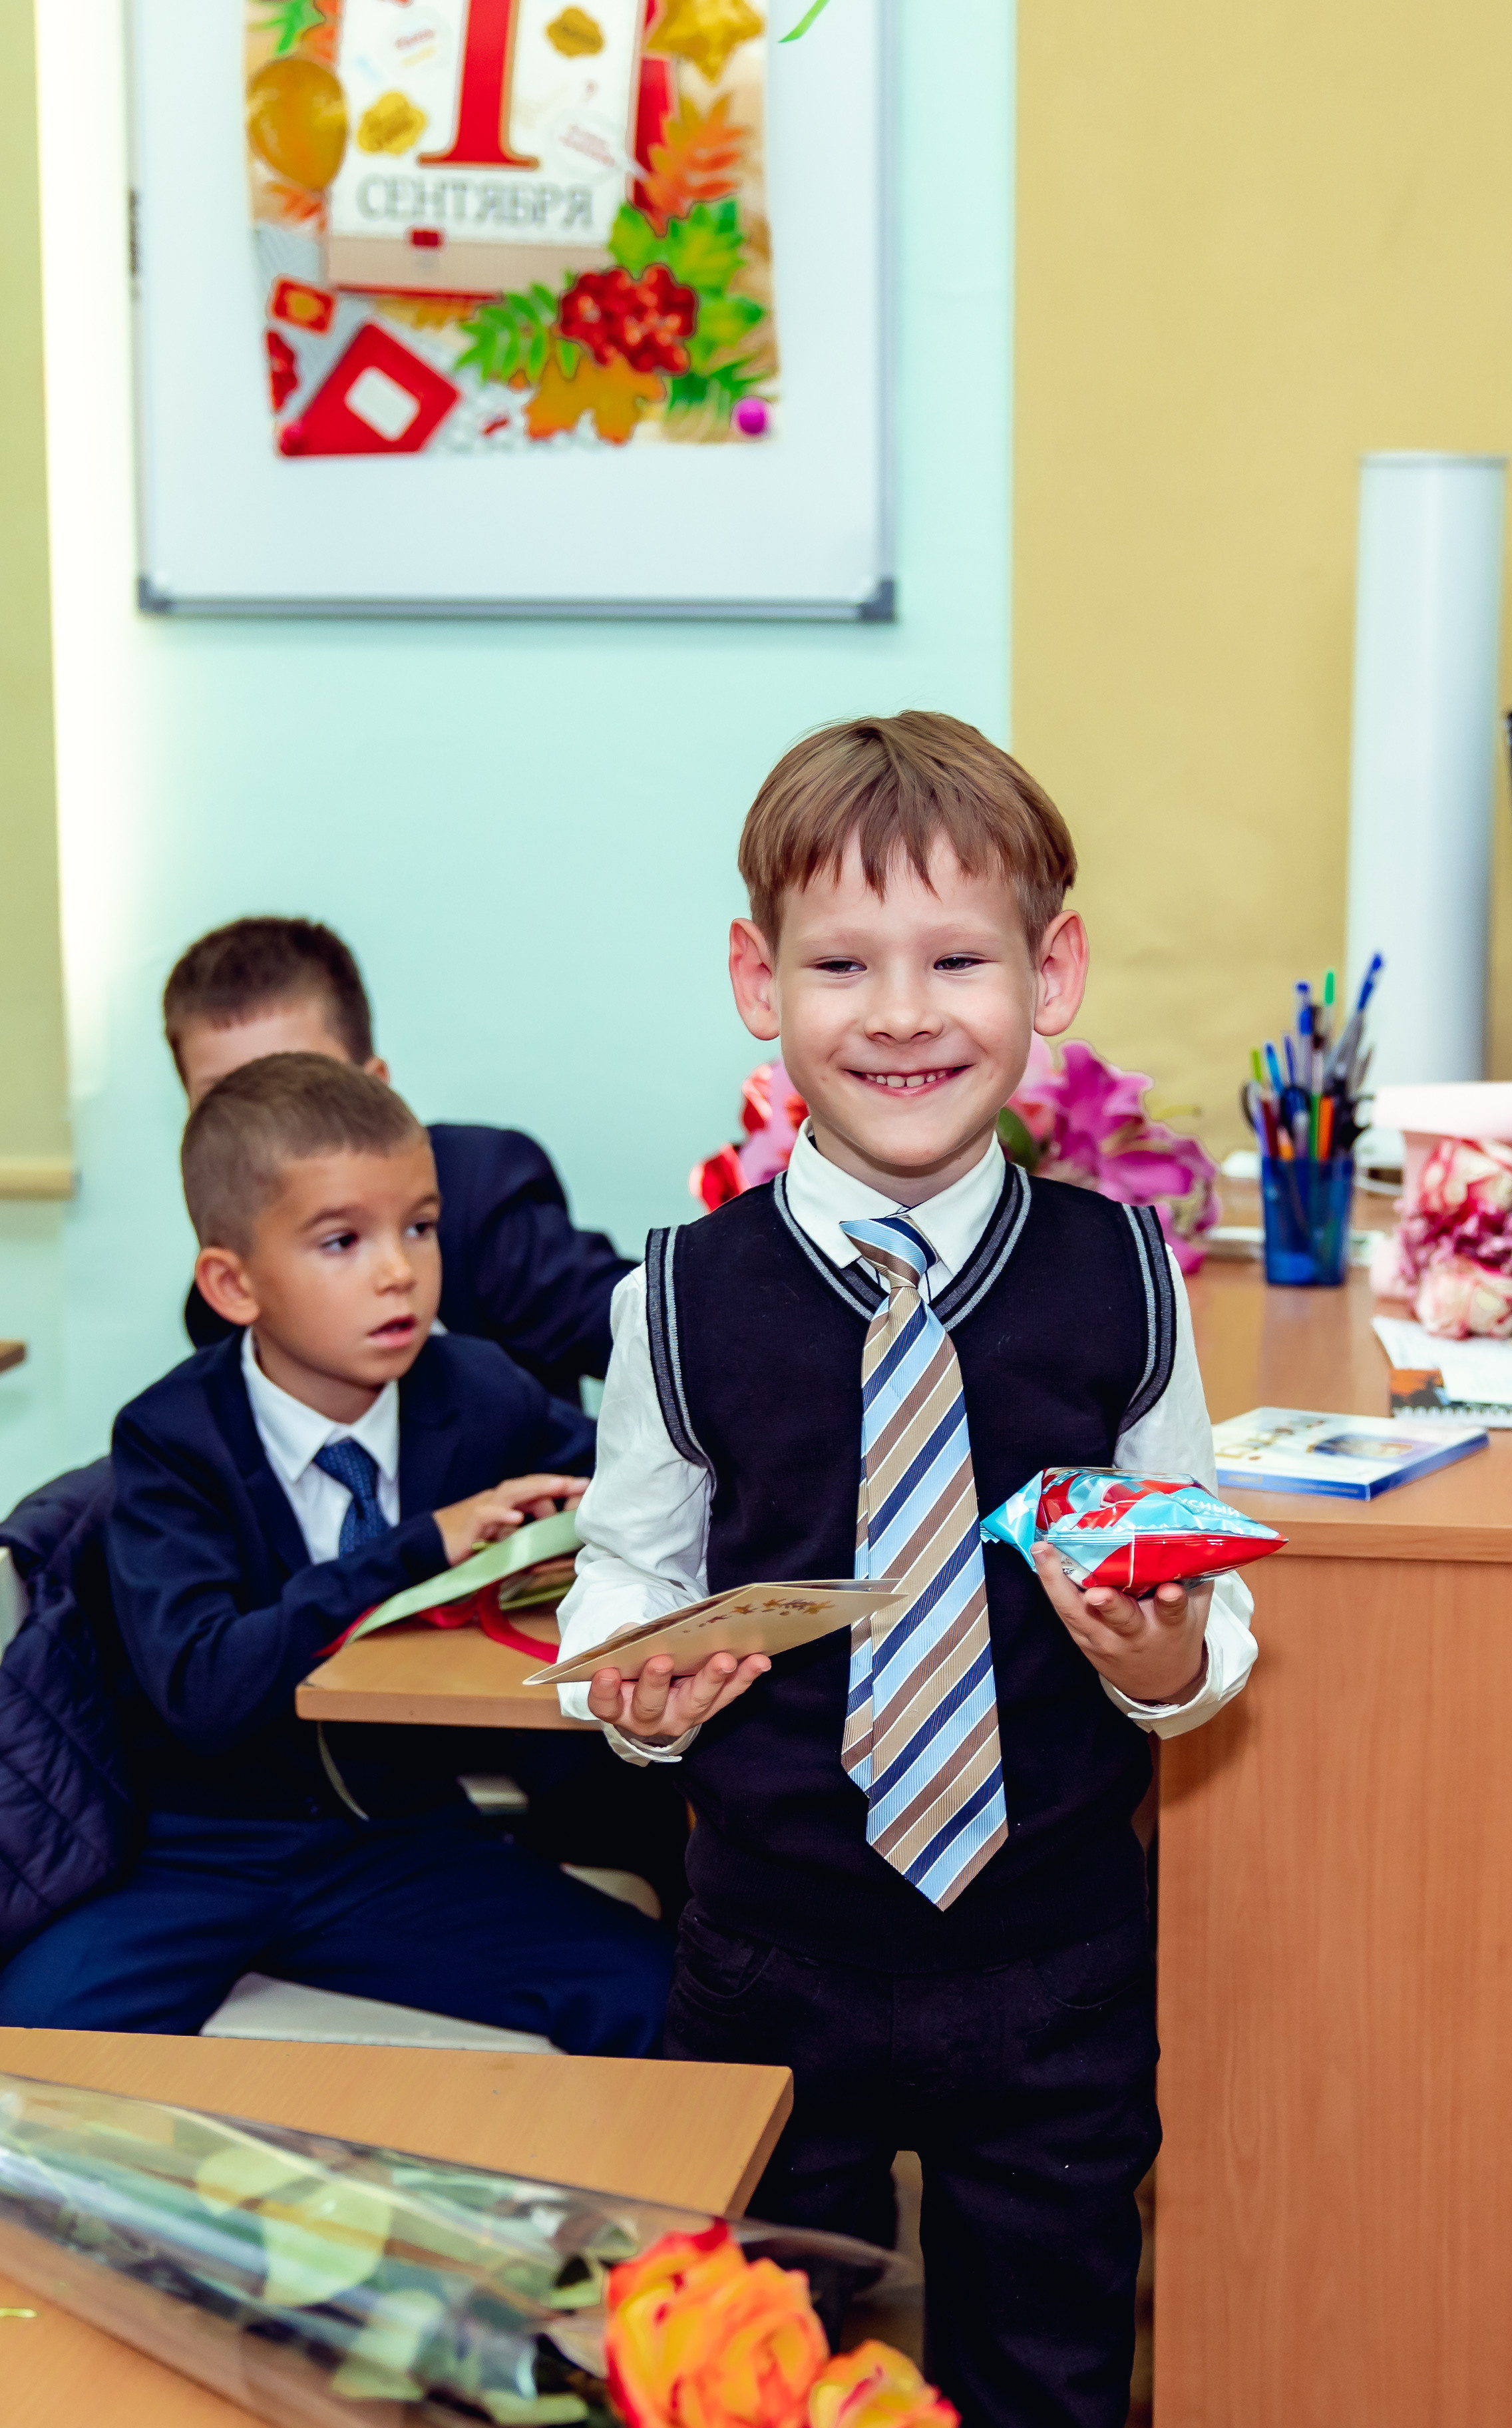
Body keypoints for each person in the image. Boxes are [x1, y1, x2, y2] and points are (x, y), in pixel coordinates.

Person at [554, 712, 1258, 2426]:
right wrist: (637, 1698)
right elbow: (621, 1570)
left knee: (1053, 2369)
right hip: (770, 1952)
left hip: (1054, 1959)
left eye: (957, 958)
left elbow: (1206, 1602)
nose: (898, 1012)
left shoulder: (1127, 1278)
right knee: (761, 2381)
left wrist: (1160, 1659)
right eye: (839, 962)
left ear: (1051, 971)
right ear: (757, 980)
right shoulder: (678, 1294)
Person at [0, 1055, 671, 2048]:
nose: (399, 1270)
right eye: (341, 1241)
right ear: (234, 1285)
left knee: (652, 1993)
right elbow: (205, 1688)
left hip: (395, 1839)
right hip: (197, 1851)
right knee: (33, 2044)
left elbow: (625, 1488)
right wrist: (421, 1549)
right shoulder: (170, 1439)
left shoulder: (476, 1389)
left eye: (420, 1227)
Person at [164, 917, 632, 1401]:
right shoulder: (216, 1313)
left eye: (310, 1089)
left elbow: (647, 1337)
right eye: (226, 1106)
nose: (269, 1131)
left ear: (378, 1088)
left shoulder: (478, 1195)